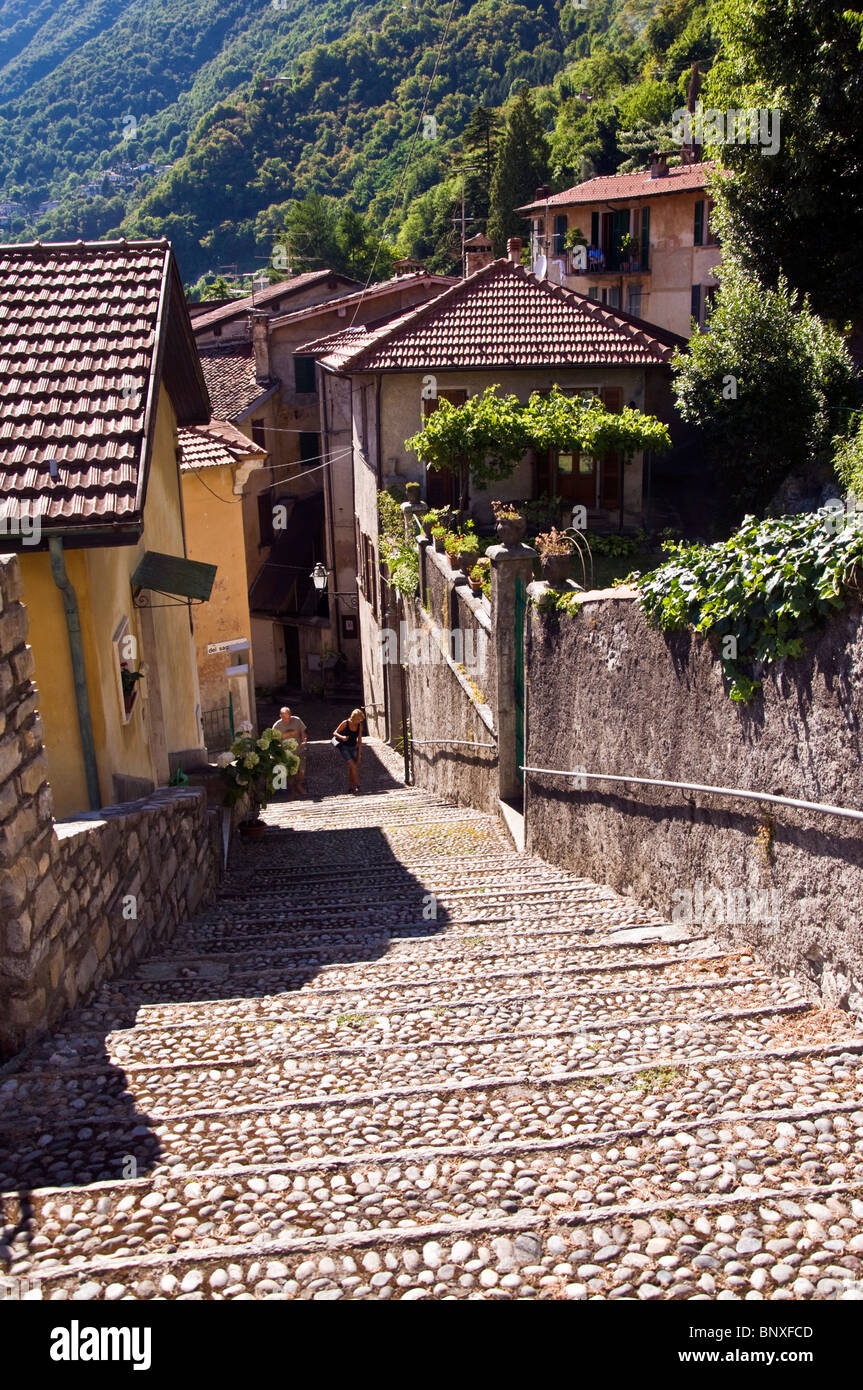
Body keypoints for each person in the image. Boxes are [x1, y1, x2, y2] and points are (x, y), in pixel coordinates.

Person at [272, 705, 308, 795]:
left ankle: (298, 784)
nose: (286, 720)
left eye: (287, 718)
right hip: (286, 754)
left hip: (299, 750)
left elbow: (303, 732)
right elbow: (273, 741)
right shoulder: (277, 726)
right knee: (290, 774)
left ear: (290, 715)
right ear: (280, 715)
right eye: (284, 717)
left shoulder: (297, 720)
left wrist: (304, 740)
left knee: (302, 771)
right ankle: (292, 791)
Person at [332, 707, 365, 793]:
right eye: (358, 719)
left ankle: (350, 787)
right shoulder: (345, 723)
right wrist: (342, 737)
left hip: (353, 747)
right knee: (353, 765)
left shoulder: (359, 726)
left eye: (360, 720)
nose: (359, 721)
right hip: (344, 747)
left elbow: (360, 740)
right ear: (354, 718)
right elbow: (335, 733)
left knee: (352, 768)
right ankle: (357, 785)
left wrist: (359, 754)